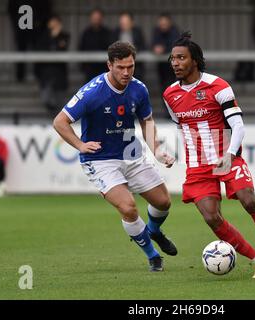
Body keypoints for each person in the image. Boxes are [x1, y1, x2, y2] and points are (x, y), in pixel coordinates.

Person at [163, 32, 255, 278]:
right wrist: (171, 154)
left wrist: (230, 154)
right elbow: (181, 126)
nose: (175, 63)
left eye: (181, 58)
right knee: (212, 218)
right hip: (198, 164)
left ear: (195, 60)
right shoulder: (170, 94)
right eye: (172, 58)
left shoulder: (218, 86)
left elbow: (239, 126)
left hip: (227, 155)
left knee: (249, 200)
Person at [53, 41, 177, 272]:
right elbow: (60, 121)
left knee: (163, 202)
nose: (126, 72)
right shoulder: (92, 93)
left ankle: (153, 231)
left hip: (131, 154)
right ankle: (152, 255)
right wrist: (80, 145)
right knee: (129, 208)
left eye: (130, 66)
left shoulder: (138, 89)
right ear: (109, 65)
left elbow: (147, 121)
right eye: (121, 67)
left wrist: (158, 151)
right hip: (101, 160)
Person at [7, 0, 52, 82]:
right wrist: (17, 23)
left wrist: (40, 24)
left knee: (37, 51)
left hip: (36, 30)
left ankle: (38, 74)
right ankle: (20, 75)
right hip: (22, 29)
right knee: (21, 50)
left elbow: (46, 10)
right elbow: (11, 10)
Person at [35, 15, 70, 115]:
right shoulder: (42, 36)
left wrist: (57, 37)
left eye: (56, 22)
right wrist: (54, 38)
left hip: (60, 73)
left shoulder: (65, 36)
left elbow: (61, 50)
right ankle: (53, 118)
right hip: (46, 73)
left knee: (60, 101)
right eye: (52, 22)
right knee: (47, 99)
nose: (53, 25)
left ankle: (58, 120)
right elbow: (42, 50)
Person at [78, 8, 114, 83]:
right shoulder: (86, 33)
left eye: (98, 18)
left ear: (101, 18)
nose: (96, 20)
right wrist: (83, 67)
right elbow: (81, 48)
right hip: (89, 69)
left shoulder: (107, 33)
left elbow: (111, 49)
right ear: (91, 18)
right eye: (94, 18)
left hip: (104, 69)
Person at [151, 13, 180, 94]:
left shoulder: (175, 31)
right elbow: (152, 43)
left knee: (174, 87)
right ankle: (165, 106)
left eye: (165, 23)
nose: (163, 25)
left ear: (169, 23)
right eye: (161, 23)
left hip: (173, 66)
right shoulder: (156, 31)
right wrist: (155, 48)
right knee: (163, 87)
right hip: (162, 66)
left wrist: (163, 49)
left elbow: (175, 44)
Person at [113, 12, 147, 81]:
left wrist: (135, 50)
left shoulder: (138, 32)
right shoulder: (115, 32)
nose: (124, 24)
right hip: (120, 66)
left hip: (136, 66)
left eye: (126, 22)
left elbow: (143, 46)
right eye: (122, 23)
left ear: (132, 23)